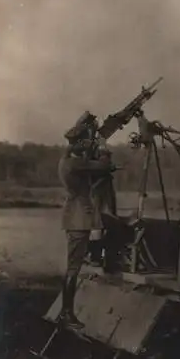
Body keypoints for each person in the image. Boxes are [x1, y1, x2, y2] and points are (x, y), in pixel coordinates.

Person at [58, 111, 115, 329]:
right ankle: (67, 312)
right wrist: (102, 146)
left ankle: (97, 257)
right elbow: (104, 165)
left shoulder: (69, 160)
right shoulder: (74, 163)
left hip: (77, 217)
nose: (88, 143)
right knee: (73, 268)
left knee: (76, 264)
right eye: (86, 140)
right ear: (79, 142)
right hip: (79, 219)